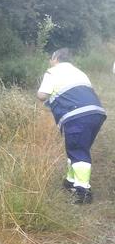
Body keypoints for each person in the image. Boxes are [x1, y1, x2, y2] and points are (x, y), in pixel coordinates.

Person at [37, 48, 106, 204]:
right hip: (96, 113)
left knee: (78, 150)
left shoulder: (52, 72)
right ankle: (70, 181)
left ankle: (83, 192)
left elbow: (42, 95)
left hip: (76, 115)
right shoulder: (80, 72)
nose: (50, 60)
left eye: (51, 57)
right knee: (76, 147)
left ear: (56, 58)